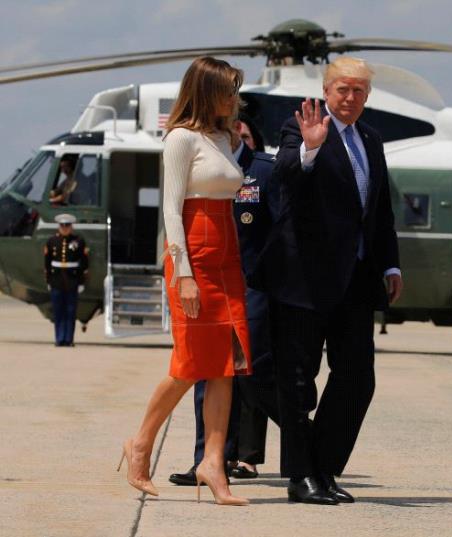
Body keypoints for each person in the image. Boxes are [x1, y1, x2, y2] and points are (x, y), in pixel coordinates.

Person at [255, 56, 402, 505]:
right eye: (343, 89)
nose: (350, 97)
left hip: (356, 278)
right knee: (297, 381)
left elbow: (378, 211)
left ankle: (323, 467)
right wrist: (311, 150)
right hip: (303, 278)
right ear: (326, 89)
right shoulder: (300, 127)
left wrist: (390, 265)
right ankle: (303, 477)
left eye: (359, 90)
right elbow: (283, 179)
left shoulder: (371, 140)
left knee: (359, 377)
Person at [118, 56, 251, 506]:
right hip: (193, 254)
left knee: (226, 364)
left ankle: (213, 463)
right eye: (229, 90)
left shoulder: (223, 136)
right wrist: (185, 274)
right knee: (192, 361)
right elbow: (172, 210)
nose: (235, 99)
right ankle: (140, 444)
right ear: (206, 91)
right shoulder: (180, 138)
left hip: (228, 256)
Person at [168, 116, 280, 486]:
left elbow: (280, 228)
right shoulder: (204, 161)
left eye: (245, 132)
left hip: (253, 283)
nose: (237, 134)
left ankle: (246, 456)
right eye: (234, 129)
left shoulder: (263, 170)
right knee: (207, 369)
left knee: (248, 370)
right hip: (211, 275)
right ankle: (207, 458)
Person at [43, 213, 88, 346]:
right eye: (62, 226)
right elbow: (47, 262)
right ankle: (59, 338)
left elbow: (84, 263)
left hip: (72, 279)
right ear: (59, 227)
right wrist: (49, 281)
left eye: (67, 226)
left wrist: (81, 282)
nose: (65, 228)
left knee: (70, 311)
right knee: (58, 311)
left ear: (71, 227)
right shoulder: (52, 241)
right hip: (56, 279)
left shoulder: (78, 241)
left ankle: (69, 339)